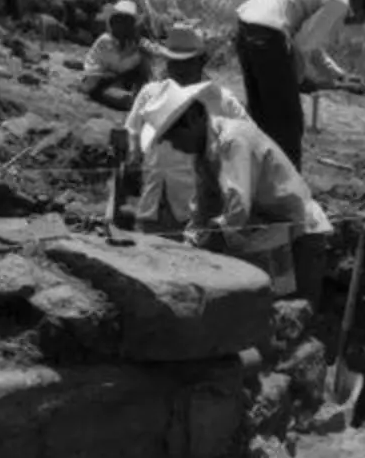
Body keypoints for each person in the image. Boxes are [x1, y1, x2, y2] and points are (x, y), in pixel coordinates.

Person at [142, 80, 332, 311]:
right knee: (265, 318)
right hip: (270, 235)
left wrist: (203, 249)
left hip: (300, 236)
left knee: (291, 319)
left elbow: (237, 208)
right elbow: (203, 208)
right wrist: (190, 244)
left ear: (193, 120)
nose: (174, 146)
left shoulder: (232, 140)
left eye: (173, 138)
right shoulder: (204, 156)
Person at [233, 0, 365, 168]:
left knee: (262, 117)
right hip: (268, 37)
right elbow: (302, 46)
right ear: (359, 0)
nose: (361, 21)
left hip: (247, 28)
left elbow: (311, 46)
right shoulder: (339, 1)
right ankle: (289, 191)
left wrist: (340, 76)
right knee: (288, 124)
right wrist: (300, 80)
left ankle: (259, 183)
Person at [123, 22, 250, 235]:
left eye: (187, 63)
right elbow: (132, 130)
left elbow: (247, 140)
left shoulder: (221, 100)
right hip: (152, 200)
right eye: (174, 63)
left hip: (197, 208)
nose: (179, 69)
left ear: (201, 62)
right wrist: (131, 156)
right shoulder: (150, 93)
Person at [80, 0, 158, 111]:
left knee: (143, 65)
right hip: (98, 80)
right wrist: (136, 54)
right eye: (119, 21)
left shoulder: (130, 42)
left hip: (118, 78)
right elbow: (118, 67)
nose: (122, 26)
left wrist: (145, 49)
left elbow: (153, 51)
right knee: (121, 97)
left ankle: (139, 95)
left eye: (126, 23)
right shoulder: (106, 41)